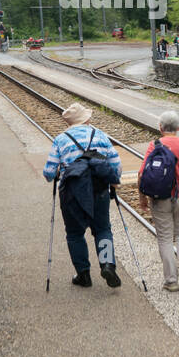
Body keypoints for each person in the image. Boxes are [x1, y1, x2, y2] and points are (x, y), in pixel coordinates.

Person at [43, 102, 123, 288]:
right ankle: (107, 265)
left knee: (74, 234)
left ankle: (83, 275)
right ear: (86, 119)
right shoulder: (100, 135)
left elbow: (48, 172)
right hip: (99, 191)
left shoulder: (61, 139)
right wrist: (113, 182)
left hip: (72, 194)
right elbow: (116, 164)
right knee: (102, 229)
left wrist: (58, 172)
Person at [137, 111, 179, 292]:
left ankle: (171, 281)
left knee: (165, 238)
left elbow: (142, 174)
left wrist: (142, 198)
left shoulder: (154, 145)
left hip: (160, 198)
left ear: (160, 128)